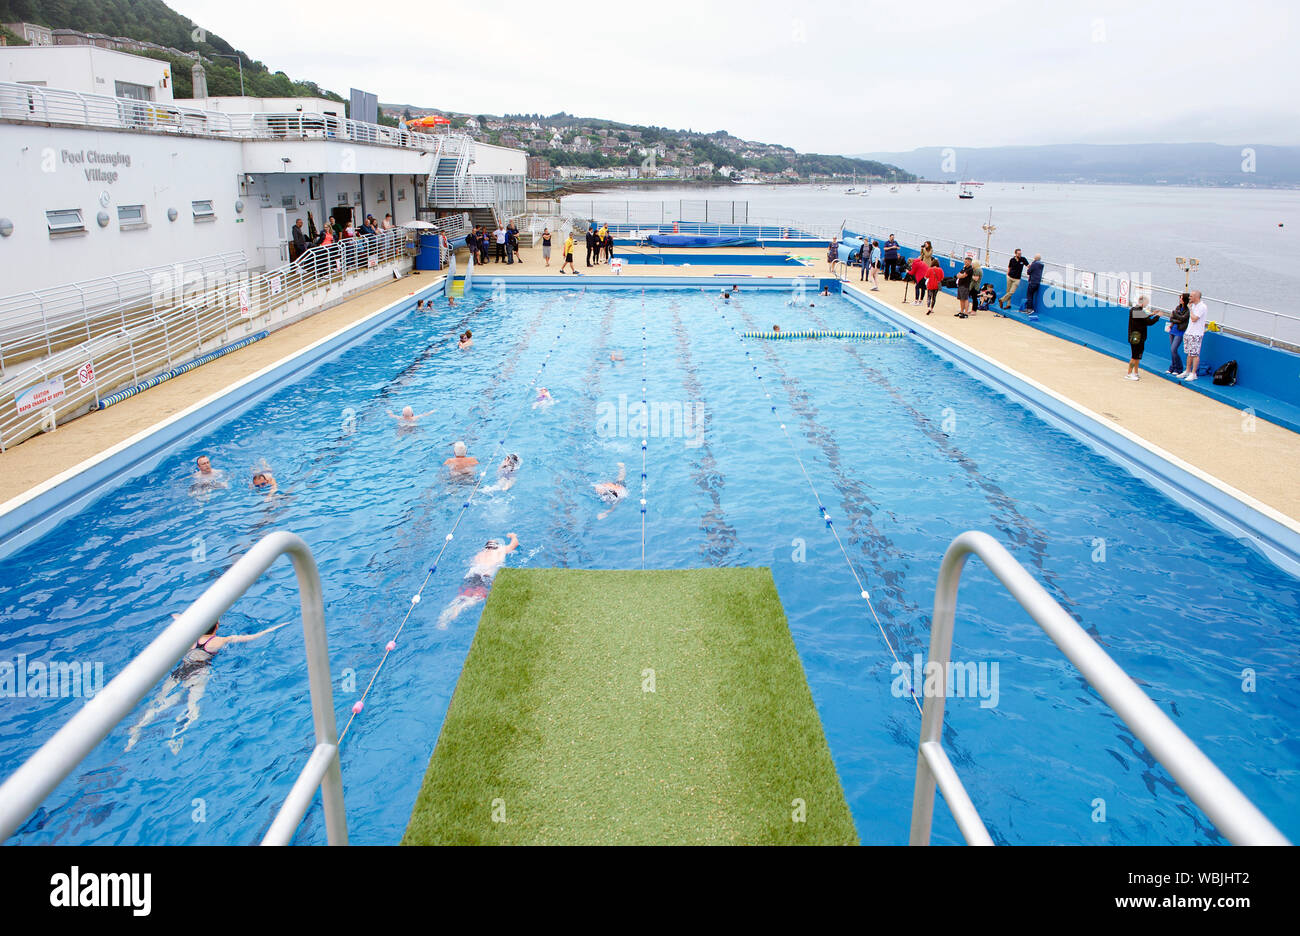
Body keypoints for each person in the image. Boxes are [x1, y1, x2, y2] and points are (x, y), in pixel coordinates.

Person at [127, 616, 288, 753]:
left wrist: (178, 616)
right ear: (217, 626)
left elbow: (179, 619)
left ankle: (137, 728)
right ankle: (176, 736)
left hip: (180, 670)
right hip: (199, 673)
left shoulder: (191, 637)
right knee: (192, 706)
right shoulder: (219, 641)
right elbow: (254, 637)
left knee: (160, 700)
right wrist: (276, 627)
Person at [437, 533, 519, 628]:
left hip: (471, 576)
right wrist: (513, 536)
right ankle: (459, 608)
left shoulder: (479, 554)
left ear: (486, 547)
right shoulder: (501, 550)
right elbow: (515, 544)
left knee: (460, 597)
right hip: (485, 578)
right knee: (475, 598)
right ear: (497, 546)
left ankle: (443, 617)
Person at [1124, 296, 1161, 380]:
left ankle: (1135, 372)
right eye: (1147, 302)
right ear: (1143, 302)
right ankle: (1129, 373)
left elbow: (1144, 317)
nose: (1147, 304)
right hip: (1136, 338)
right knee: (1134, 356)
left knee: (1138, 356)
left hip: (1140, 337)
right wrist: (1157, 316)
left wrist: (1152, 314)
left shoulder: (1135, 310)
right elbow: (1149, 322)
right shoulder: (1138, 311)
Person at [1179, 290, 1209, 381]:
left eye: (1191, 296)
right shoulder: (1193, 305)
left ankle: (1193, 373)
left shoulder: (1202, 307)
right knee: (1189, 353)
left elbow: (1194, 319)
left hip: (1196, 334)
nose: (1189, 298)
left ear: (1196, 297)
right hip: (1189, 332)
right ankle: (1187, 371)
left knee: (1195, 354)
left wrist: (1190, 309)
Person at [1168, 291, 1190, 375]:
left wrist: (1175, 315)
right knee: (1172, 350)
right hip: (1172, 330)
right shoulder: (1177, 307)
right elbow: (1172, 319)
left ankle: (1179, 368)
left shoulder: (1187, 311)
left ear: (1184, 300)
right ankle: (1172, 367)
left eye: (1181, 298)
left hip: (1179, 332)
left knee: (1174, 350)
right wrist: (1178, 319)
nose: (1179, 299)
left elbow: (1183, 319)